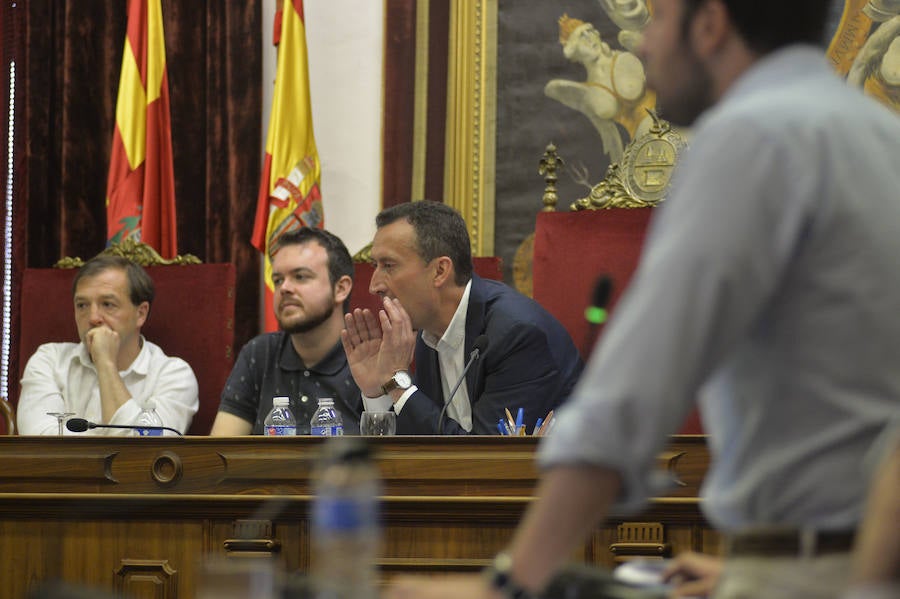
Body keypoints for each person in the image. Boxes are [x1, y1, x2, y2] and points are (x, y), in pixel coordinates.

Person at [387, 1, 900, 598]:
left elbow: (631, 395)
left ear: (710, 24)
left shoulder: (750, 137)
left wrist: (509, 583)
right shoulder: (882, 139)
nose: (643, 46)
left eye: (657, 19)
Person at [341, 200, 583, 435]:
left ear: (440, 270)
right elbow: (424, 443)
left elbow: (486, 460)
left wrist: (397, 382)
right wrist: (377, 391)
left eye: (389, 266)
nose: (374, 285)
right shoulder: (429, 334)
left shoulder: (516, 335)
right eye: (376, 265)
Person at [17, 255, 198, 435]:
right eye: (82, 305)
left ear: (141, 314)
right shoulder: (49, 360)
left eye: (107, 304)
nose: (93, 317)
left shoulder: (174, 375)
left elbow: (146, 452)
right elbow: (39, 444)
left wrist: (105, 363)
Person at [210, 227, 362, 435]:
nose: (284, 288)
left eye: (300, 276)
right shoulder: (259, 354)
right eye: (278, 279)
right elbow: (221, 452)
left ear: (340, 288)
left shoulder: (370, 358)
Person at [545, 14, 656, 162]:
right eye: (582, 37)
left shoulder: (624, 57)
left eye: (589, 32)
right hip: (636, 153)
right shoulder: (588, 92)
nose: (590, 39)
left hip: (664, 130)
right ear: (574, 51)